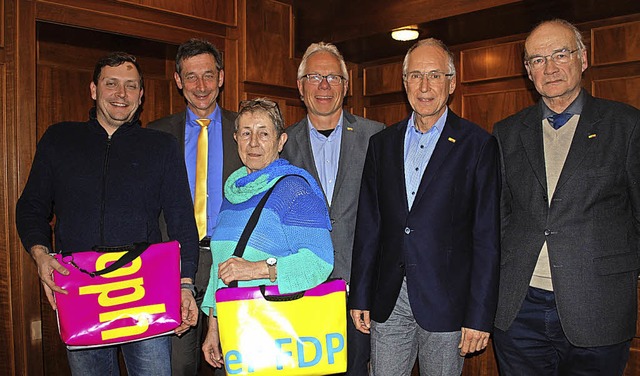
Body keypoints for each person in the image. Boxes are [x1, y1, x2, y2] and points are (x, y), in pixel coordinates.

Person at [15, 52, 199, 375]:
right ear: (93, 89)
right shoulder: (58, 139)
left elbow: (183, 221)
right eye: (111, 83)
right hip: (81, 290)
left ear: (141, 95)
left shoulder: (163, 147)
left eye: (131, 86)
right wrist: (42, 257)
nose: (121, 94)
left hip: (147, 292)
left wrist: (186, 285)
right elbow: (31, 207)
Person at [492, 19, 640, 375]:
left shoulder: (627, 125)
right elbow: (500, 216)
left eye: (561, 54)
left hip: (598, 306)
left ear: (583, 58)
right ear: (528, 71)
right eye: (538, 59)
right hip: (518, 309)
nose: (551, 67)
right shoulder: (507, 132)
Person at [348, 38, 501, 375]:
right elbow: (369, 226)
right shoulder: (382, 144)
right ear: (404, 84)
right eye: (415, 76)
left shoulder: (478, 145)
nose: (425, 86)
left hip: (447, 304)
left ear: (452, 82)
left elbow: (487, 238)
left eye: (434, 75)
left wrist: (479, 316)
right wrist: (359, 294)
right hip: (389, 299)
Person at [201, 98, 334, 369]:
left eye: (264, 133)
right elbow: (221, 267)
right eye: (246, 133)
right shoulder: (234, 192)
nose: (253, 143)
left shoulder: (295, 190)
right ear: (236, 138)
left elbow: (320, 262)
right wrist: (213, 328)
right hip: (234, 330)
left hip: (277, 333)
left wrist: (257, 269)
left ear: (281, 140)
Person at [280, 41, 385, 376]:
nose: (324, 86)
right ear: (300, 87)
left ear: (346, 85)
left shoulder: (376, 137)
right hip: (300, 292)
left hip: (359, 293)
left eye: (333, 78)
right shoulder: (281, 144)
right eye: (314, 77)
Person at [147, 38, 242, 375]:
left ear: (221, 77)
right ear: (178, 80)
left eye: (208, 75)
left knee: (233, 364)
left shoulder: (245, 130)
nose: (200, 86)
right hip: (174, 267)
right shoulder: (156, 135)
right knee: (177, 365)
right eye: (191, 77)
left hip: (233, 264)